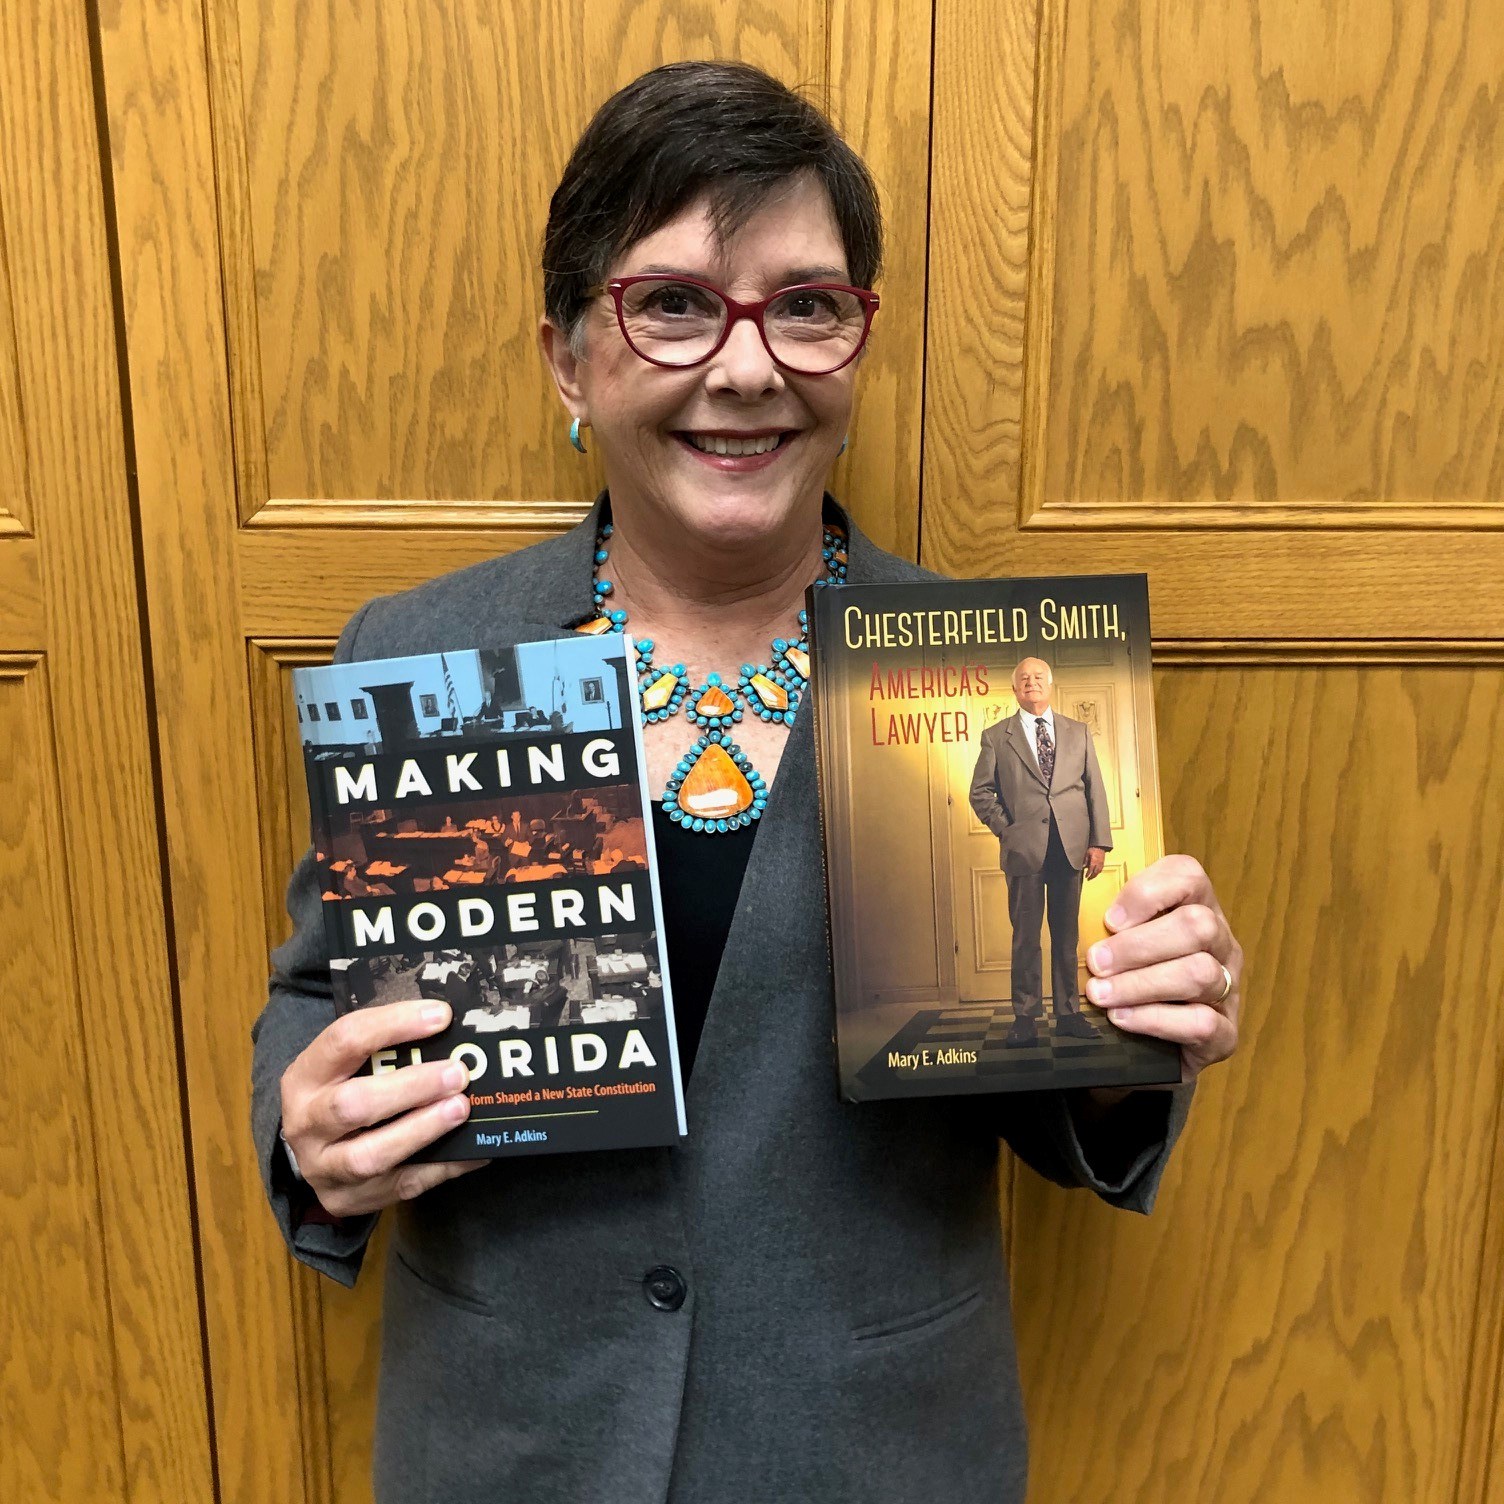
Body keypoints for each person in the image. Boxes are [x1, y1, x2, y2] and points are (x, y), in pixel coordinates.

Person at [252, 60, 1243, 1503]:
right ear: (566, 358)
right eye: (671, 306)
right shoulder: (425, 658)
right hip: (513, 1444)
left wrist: (1137, 1031)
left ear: (860, 338)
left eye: (806, 304)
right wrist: (310, 1118)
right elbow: (314, 993)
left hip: (877, 1445)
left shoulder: (980, 671)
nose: (745, 365)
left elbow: (1040, 1081)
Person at [968, 656, 1112, 1045]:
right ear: (1015, 689)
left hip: (1071, 849)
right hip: (1024, 851)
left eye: (1038, 677)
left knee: (1066, 937)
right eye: (1023, 679)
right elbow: (980, 792)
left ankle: (1068, 1015)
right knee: (1026, 938)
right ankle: (1026, 1018)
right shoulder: (997, 736)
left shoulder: (1078, 732)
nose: (1031, 683)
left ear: (1050, 685)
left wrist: (1098, 842)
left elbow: (1094, 789)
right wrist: (1007, 830)